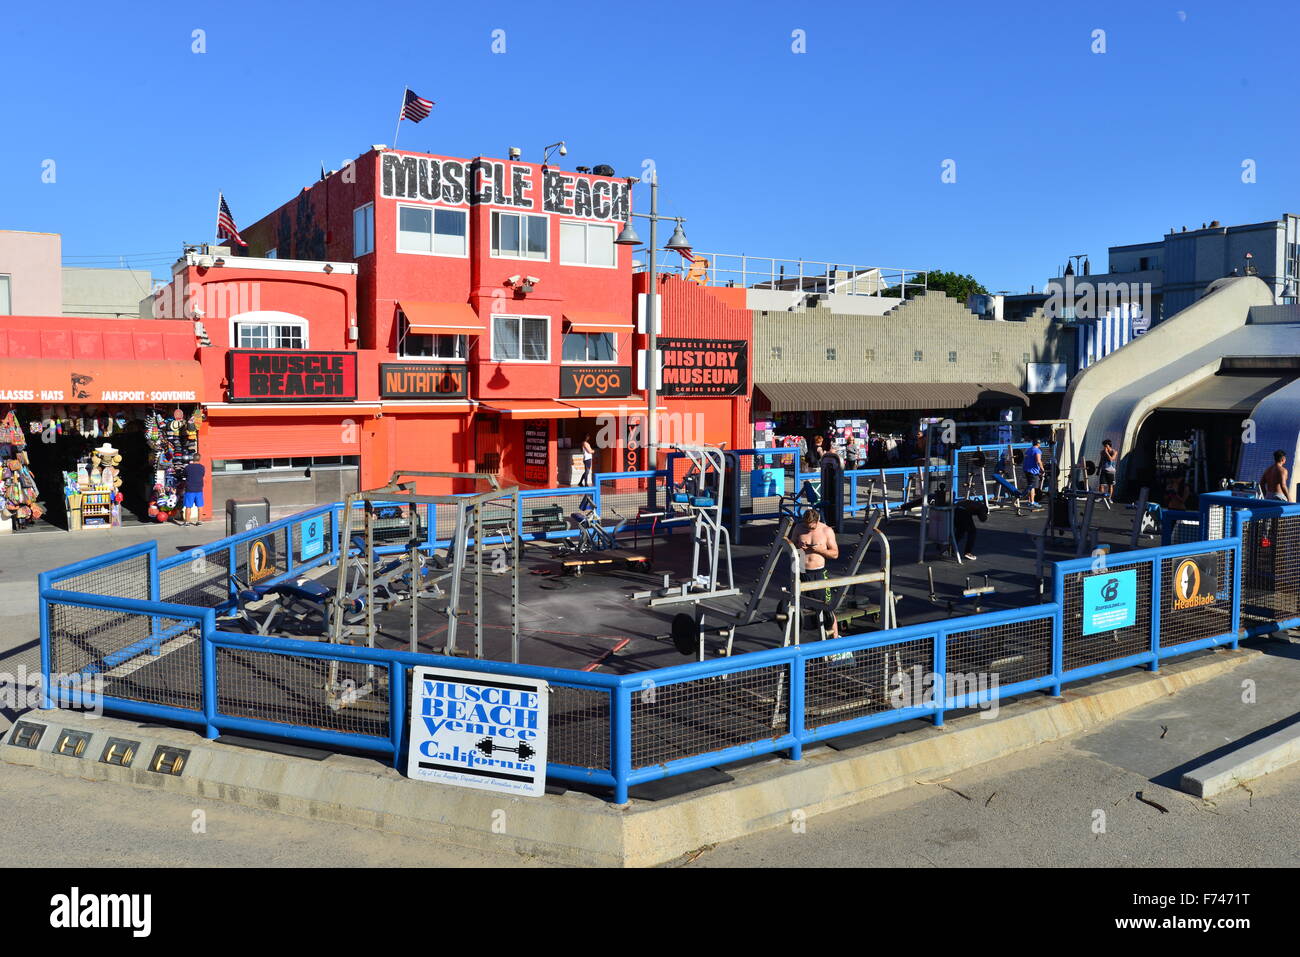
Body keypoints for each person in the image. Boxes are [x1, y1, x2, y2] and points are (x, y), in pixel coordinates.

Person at [790, 507, 840, 638]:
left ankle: (835, 639)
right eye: (806, 526)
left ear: (817, 521)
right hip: (800, 570)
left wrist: (819, 550)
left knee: (827, 608)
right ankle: (791, 640)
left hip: (818, 573)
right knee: (793, 606)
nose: (809, 529)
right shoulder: (798, 528)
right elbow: (790, 546)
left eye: (811, 527)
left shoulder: (826, 531)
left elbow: (835, 554)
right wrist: (798, 547)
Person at [182, 459, 206, 527]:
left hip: (190, 489)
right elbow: (202, 475)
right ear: (199, 459)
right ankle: (199, 521)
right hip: (199, 489)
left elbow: (184, 475)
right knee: (200, 506)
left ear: (193, 459)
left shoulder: (188, 467)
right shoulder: (202, 467)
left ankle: (187, 522)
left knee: (188, 506)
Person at [1022, 438, 1044, 506]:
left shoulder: (1028, 450)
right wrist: (1042, 469)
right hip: (1033, 471)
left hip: (1026, 470)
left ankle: (1029, 501)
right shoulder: (1037, 450)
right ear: (1038, 444)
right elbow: (1038, 461)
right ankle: (1032, 502)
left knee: (1029, 485)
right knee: (1032, 486)